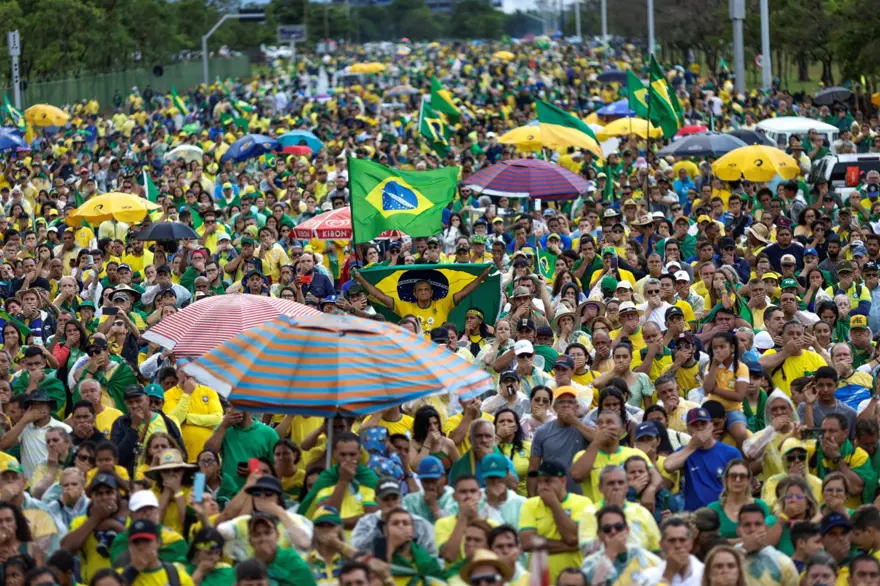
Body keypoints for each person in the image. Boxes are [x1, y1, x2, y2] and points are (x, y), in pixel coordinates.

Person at [353, 265, 492, 334]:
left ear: (432, 292)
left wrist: (482, 277)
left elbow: (464, 292)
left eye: (426, 289)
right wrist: (361, 279)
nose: (424, 292)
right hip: (415, 353)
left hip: (440, 351)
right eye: (420, 290)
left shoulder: (443, 303)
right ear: (414, 293)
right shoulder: (405, 306)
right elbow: (380, 296)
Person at [518, 460, 592, 582]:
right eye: (540, 482)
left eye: (548, 481)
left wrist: (554, 504)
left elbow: (573, 537)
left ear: (563, 481)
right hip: (540, 581)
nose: (542, 486)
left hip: (572, 581)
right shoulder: (530, 505)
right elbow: (527, 543)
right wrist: (570, 547)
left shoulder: (583, 503)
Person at [663, 408, 741, 510]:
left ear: (711, 426)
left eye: (703, 423)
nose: (699, 428)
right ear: (688, 429)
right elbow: (668, 466)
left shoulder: (730, 452)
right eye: (695, 425)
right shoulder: (686, 451)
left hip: (722, 513)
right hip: (694, 515)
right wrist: (692, 446)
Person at [203, 405, 278, 492]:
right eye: (228, 406)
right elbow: (208, 452)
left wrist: (256, 470)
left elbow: (276, 467)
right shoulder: (224, 429)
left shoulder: (268, 433)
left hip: (257, 492)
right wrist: (223, 426)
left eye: (234, 406)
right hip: (228, 492)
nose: (229, 410)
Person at [580, 505, 661, 585]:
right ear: (599, 534)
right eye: (607, 529)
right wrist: (611, 553)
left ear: (627, 530)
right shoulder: (590, 562)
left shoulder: (644, 557)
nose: (613, 532)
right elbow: (593, 582)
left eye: (618, 527)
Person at [639, 517, 704, 586]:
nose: (678, 545)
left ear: (691, 543)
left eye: (682, 540)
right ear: (661, 544)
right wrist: (668, 574)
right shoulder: (648, 576)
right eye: (672, 540)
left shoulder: (705, 573)